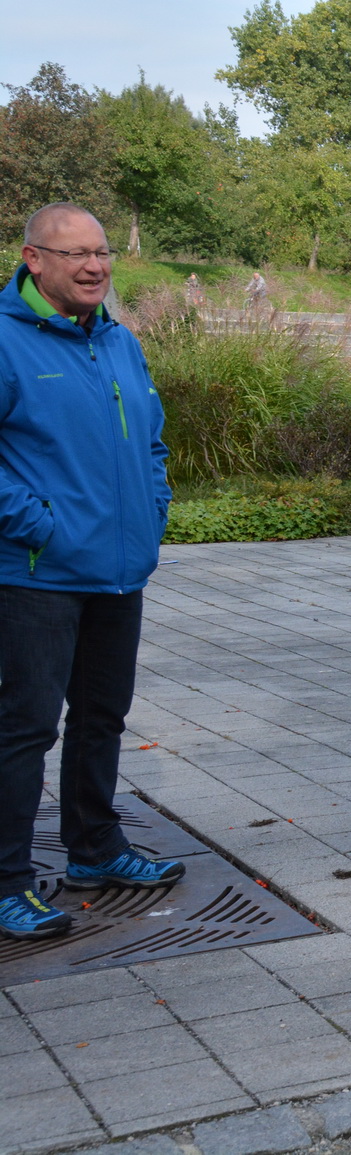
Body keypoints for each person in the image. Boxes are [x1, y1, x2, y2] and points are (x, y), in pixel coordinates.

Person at [0, 203, 183, 941]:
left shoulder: (119, 341)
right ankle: (8, 879)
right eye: (73, 253)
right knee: (24, 727)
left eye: (102, 252)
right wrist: (44, 524)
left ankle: (95, 849)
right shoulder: (7, 340)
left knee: (102, 715)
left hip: (118, 572)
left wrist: (152, 510)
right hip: (36, 574)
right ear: (32, 259)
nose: (93, 266)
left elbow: (153, 440)